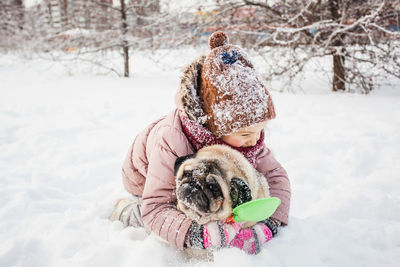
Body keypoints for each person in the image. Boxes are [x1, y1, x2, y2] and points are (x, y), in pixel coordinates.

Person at [109, 31, 291, 255]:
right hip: (148, 181)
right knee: (183, 205)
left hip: (205, 170)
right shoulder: (173, 140)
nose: (255, 139)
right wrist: (196, 234)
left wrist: (271, 221)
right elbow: (156, 206)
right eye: (245, 134)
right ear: (215, 127)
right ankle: (126, 211)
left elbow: (275, 175)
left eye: (261, 130)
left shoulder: (247, 139)